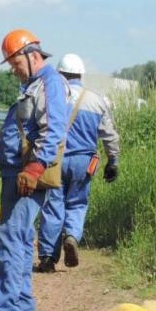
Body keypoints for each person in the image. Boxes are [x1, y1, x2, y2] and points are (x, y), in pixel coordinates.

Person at [0, 29, 70, 311]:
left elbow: (53, 129)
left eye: (15, 63)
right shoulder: (36, 84)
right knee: (23, 238)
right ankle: (22, 302)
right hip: (20, 173)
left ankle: (6, 310)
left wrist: (35, 168)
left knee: (10, 237)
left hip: (26, 174)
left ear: (32, 55)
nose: (13, 70)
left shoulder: (50, 83)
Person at [35, 53, 120, 272]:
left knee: (53, 206)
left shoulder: (53, 96)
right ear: (81, 74)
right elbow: (109, 135)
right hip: (83, 162)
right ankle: (72, 235)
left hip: (55, 160)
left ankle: (47, 257)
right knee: (77, 203)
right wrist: (113, 161)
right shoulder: (96, 101)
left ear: (60, 73)